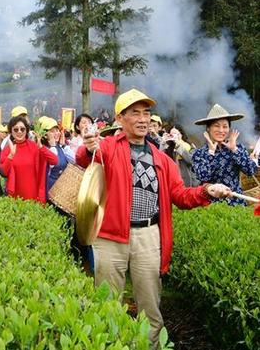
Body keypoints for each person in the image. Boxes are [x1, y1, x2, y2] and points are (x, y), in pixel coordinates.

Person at [77, 88, 231, 348]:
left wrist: (207, 190)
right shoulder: (108, 147)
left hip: (149, 235)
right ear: (120, 119)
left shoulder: (163, 159)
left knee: (150, 305)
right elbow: (85, 160)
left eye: (146, 113)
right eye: (134, 113)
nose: (142, 119)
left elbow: (181, 195)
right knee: (107, 302)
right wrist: (87, 146)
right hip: (110, 235)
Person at [192, 104, 258, 206]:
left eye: (225, 126)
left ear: (229, 129)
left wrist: (234, 150)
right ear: (208, 128)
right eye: (216, 126)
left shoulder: (237, 148)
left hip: (236, 203)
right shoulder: (199, 153)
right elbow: (203, 177)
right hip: (210, 205)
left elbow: (250, 170)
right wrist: (211, 152)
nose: (221, 130)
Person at [0, 115, 58, 204]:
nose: (19, 132)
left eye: (22, 129)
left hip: (33, 195)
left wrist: (41, 147)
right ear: (11, 131)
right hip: (15, 197)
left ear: (26, 131)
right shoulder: (7, 149)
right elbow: (4, 172)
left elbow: (54, 160)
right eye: (16, 129)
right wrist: (11, 155)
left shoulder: (34, 146)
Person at [38, 117, 69, 195]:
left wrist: (63, 145)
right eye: (52, 131)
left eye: (57, 130)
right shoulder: (43, 149)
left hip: (62, 187)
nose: (57, 133)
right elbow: (53, 162)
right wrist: (53, 146)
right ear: (45, 135)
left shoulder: (60, 146)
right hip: (49, 188)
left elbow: (74, 160)